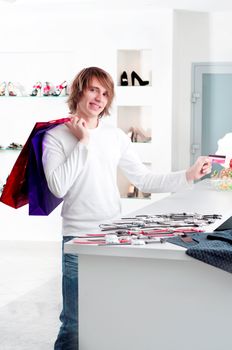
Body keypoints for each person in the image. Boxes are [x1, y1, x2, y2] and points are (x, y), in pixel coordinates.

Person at [42, 66, 211, 350]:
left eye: (105, 93)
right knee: (75, 323)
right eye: (94, 89)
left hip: (112, 233)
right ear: (79, 90)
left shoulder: (115, 135)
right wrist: (83, 143)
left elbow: (143, 179)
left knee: (110, 316)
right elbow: (58, 186)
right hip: (77, 236)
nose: (99, 98)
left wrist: (188, 175)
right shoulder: (56, 136)